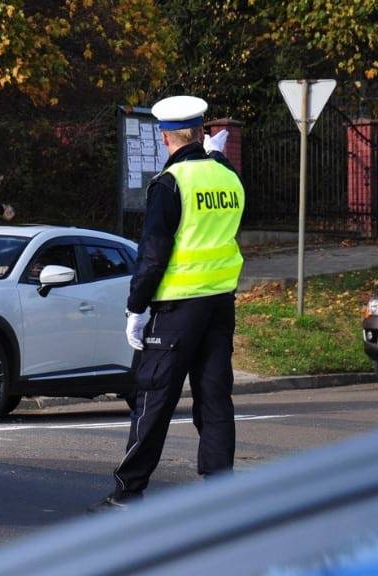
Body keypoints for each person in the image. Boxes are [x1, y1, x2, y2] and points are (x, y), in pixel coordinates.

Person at [92, 95, 246, 512]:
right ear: (201, 133)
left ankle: (129, 492)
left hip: (177, 307)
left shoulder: (170, 183)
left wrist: (136, 308)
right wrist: (218, 158)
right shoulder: (227, 177)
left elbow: (153, 253)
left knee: (153, 396)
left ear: (164, 137)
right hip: (219, 303)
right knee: (214, 396)